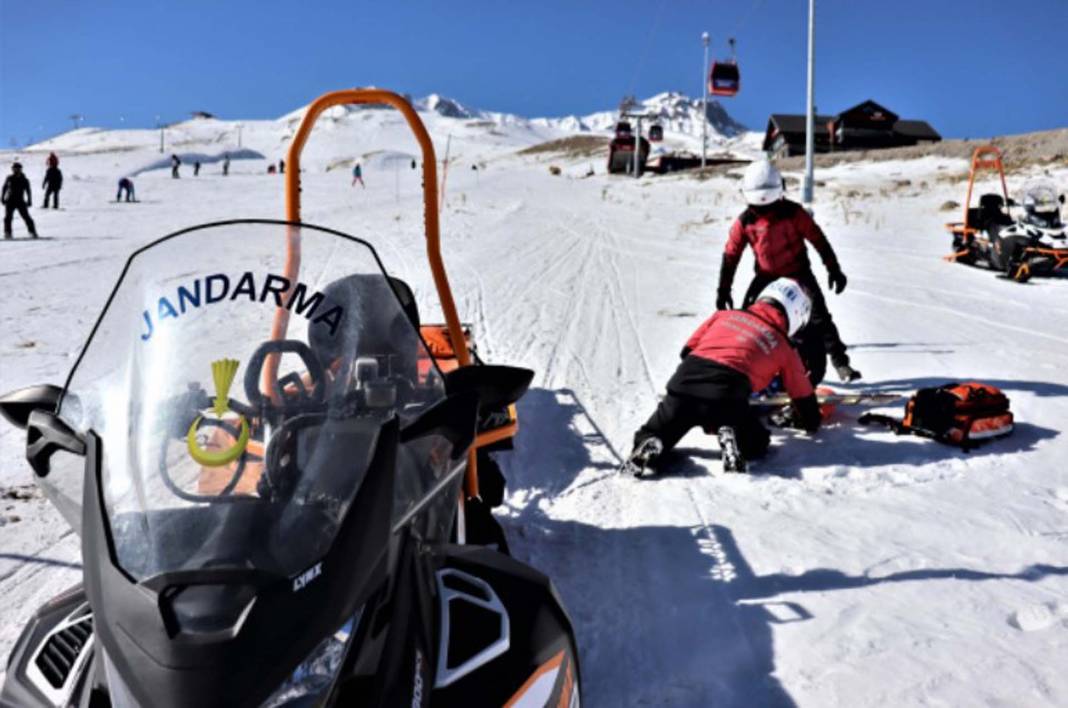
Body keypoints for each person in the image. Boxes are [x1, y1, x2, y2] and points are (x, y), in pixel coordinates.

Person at [626, 278, 821, 474]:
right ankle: (732, 437)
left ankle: (653, 443)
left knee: (655, 431)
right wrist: (811, 421)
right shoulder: (783, 346)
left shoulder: (724, 315)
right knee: (757, 441)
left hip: (684, 383)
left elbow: (687, 350)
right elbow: (801, 393)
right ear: (796, 314)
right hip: (727, 394)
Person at [717, 160, 861, 383]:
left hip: (799, 275)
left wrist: (834, 269)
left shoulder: (794, 213)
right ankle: (744, 367)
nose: (764, 212)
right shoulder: (744, 222)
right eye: (758, 208)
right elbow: (731, 255)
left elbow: (817, 239)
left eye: (769, 207)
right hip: (766, 278)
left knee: (819, 318)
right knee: (749, 319)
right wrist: (723, 289)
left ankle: (841, 363)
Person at [2, 162, 38, 239]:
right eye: (15, 168)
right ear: (12, 169)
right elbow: (4, 188)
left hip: (20, 201)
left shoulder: (24, 179)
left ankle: (32, 232)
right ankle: (8, 233)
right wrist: (2, 198)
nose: (16, 170)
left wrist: (29, 200)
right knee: (8, 218)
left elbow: (28, 191)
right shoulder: (9, 178)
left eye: (18, 168)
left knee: (26, 217)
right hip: (10, 201)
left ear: (21, 169)